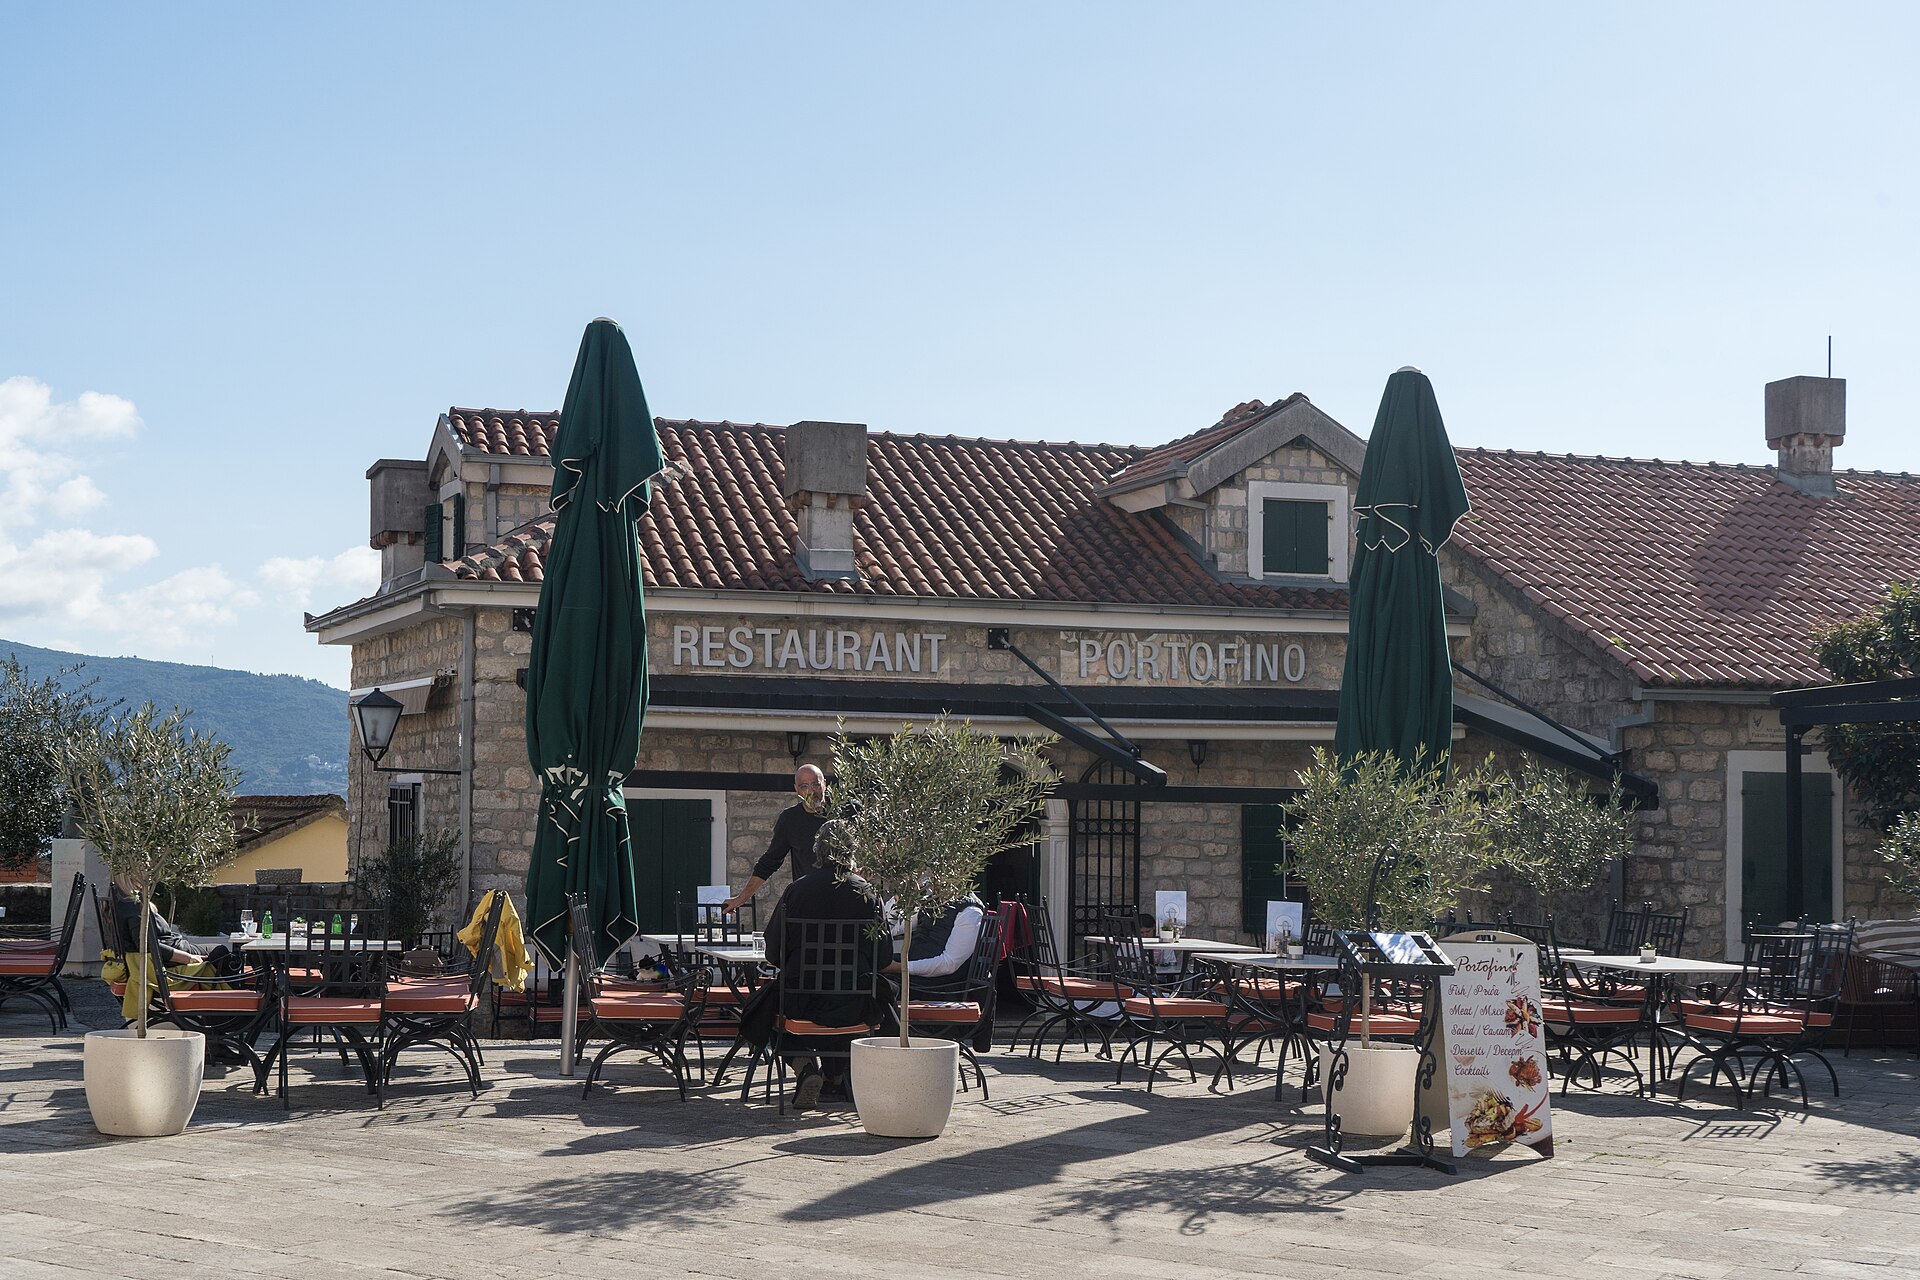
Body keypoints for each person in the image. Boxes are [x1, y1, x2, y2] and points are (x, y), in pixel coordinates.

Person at [736, 826, 881, 1110]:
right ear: (852, 853)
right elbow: (882, 954)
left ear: (817, 851)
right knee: (871, 997)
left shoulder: (797, 890)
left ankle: (804, 1066)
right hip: (855, 1003)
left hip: (801, 1000)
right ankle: (835, 1075)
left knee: (761, 1006)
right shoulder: (867, 893)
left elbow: (774, 952)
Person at [722, 764, 827, 914]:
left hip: (842, 900)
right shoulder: (790, 819)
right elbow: (770, 861)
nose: (811, 790)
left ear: (824, 784)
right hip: (807, 902)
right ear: (796, 790)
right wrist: (740, 899)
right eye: (804, 786)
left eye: (815, 784)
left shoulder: (846, 811)